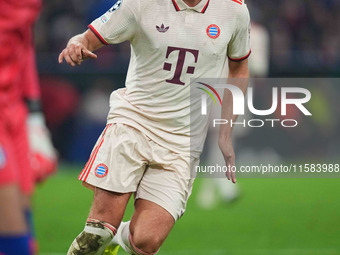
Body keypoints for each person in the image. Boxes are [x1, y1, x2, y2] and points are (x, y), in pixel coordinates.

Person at [58, 0, 251, 254]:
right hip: (133, 124)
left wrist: (225, 131)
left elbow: (238, 68)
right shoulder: (140, 3)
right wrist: (76, 45)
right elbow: (87, 38)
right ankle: (107, 236)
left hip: (183, 141)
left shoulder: (234, 10)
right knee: (98, 233)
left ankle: (117, 240)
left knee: (146, 241)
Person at [0, 0, 57, 254]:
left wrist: (34, 118)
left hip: (13, 108)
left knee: (24, 218)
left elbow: (22, 41)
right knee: (13, 233)